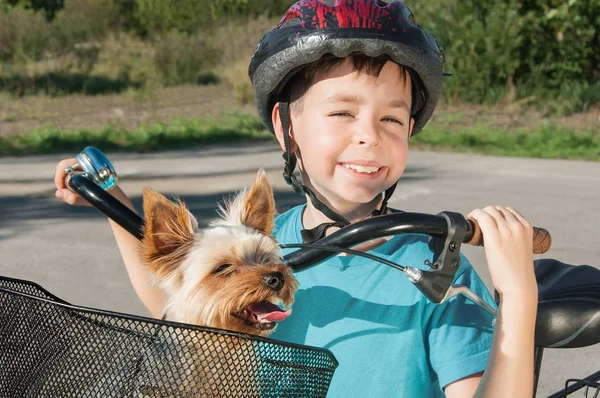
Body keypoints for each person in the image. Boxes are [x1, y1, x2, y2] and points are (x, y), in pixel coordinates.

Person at [54, 1, 538, 396]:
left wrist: (518, 295)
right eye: (342, 113)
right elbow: (174, 293)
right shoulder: (266, 243)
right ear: (287, 128)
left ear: (411, 129)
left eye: (392, 119)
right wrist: (108, 197)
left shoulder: (440, 271)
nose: (368, 136)